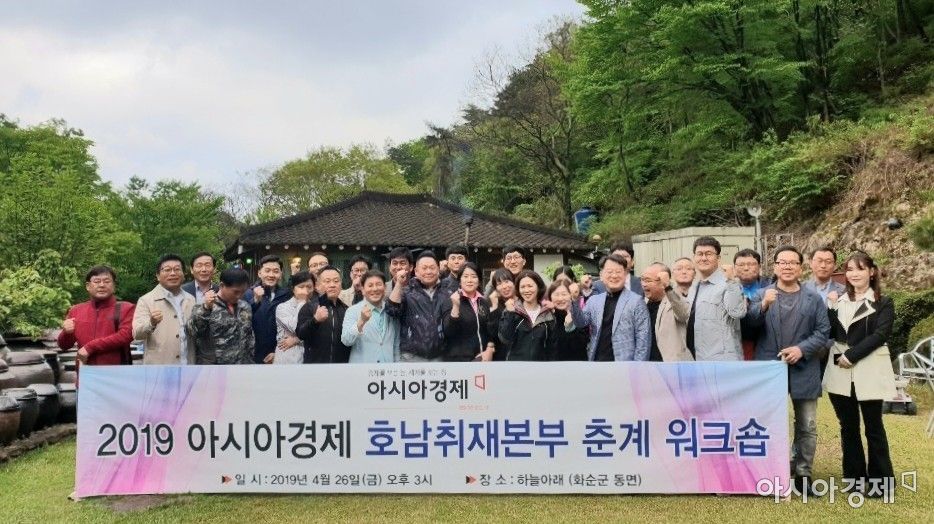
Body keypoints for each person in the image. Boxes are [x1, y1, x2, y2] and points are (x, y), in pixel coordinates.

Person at [746, 246, 830, 495]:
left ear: (800, 268)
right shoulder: (761, 294)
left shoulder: (813, 298)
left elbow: (823, 332)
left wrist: (801, 349)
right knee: (767, 422)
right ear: (774, 267)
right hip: (769, 369)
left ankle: (803, 473)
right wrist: (763, 306)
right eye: (782, 262)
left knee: (807, 424)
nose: (787, 267)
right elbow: (747, 327)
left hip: (804, 368)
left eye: (793, 262)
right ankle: (769, 470)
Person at [824, 252, 897, 497]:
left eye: (860, 268)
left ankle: (881, 482)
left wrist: (852, 355)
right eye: (850, 269)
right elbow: (831, 334)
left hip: (869, 368)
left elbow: (880, 335)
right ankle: (854, 478)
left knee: (874, 427)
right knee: (848, 427)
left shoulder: (883, 302)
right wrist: (831, 308)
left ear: (872, 272)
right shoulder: (839, 300)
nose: (854, 274)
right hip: (840, 371)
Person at [574, 254, 651, 361]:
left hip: (625, 365)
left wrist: (637, 367)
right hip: (597, 362)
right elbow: (581, 322)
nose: (614, 276)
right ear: (601, 275)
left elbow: (643, 339)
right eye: (609, 272)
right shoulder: (594, 301)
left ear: (625, 274)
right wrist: (574, 300)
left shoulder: (636, 301)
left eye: (618, 272)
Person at [57, 266, 135, 368]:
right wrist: (66, 333)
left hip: (116, 373)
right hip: (85, 372)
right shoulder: (76, 311)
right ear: (88, 286)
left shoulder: (127, 308)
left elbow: (125, 336)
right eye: (97, 281)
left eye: (107, 281)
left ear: (114, 285)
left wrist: (90, 348)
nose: (102, 285)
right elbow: (64, 346)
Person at [386, 250, 457, 362]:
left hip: (440, 356)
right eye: (424, 268)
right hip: (411, 356)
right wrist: (399, 283)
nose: (428, 271)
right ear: (416, 271)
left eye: (432, 268)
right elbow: (392, 310)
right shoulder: (407, 291)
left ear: (438, 269)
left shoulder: (448, 292)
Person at [685, 236, 746, 361]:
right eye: (699, 254)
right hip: (697, 359)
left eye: (708, 254)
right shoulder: (693, 287)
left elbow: (737, 312)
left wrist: (731, 281)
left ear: (718, 258)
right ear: (694, 257)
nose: (703, 258)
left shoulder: (729, 283)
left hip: (722, 361)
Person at [133, 254, 196, 364]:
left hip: (187, 365)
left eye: (177, 269)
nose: (173, 273)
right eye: (167, 270)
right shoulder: (146, 300)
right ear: (158, 276)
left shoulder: (190, 299)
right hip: (159, 367)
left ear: (183, 274)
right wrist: (151, 323)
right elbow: (137, 334)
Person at [188, 268, 255, 365]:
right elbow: (192, 332)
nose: (239, 296)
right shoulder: (205, 306)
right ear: (222, 286)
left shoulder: (245, 306)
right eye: (236, 292)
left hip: (241, 366)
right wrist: (206, 309)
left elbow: (249, 336)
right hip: (214, 368)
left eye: (243, 292)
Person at [804, 246, 847, 378]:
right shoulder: (799, 289)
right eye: (819, 261)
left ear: (834, 265)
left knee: (837, 384)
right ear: (810, 263)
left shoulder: (845, 291)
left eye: (828, 262)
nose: (823, 265)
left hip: (835, 348)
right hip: (808, 349)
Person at [341, 269, 400, 363]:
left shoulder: (391, 311)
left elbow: (396, 345)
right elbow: (346, 341)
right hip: (362, 369)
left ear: (385, 288)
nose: (375, 289)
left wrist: (396, 367)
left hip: (387, 368)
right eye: (370, 285)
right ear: (363, 290)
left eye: (379, 284)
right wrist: (361, 321)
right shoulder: (352, 311)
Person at [296, 265, 351, 363]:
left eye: (336, 281)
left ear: (341, 285)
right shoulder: (309, 307)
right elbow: (301, 334)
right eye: (327, 281)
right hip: (315, 366)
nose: (332, 285)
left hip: (340, 367)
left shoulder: (346, 309)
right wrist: (315, 320)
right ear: (317, 286)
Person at [244, 255, 293, 364]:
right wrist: (255, 301)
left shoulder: (287, 295)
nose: (271, 275)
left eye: (275, 271)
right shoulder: (248, 294)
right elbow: (241, 320)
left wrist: (278, 352)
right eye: (267, 271)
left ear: (281, 274)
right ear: (259, 273)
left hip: (281, 353)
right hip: (253, 355)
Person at [498, 270, 557, 361]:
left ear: (538, 287)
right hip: (516, 366)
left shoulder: (547, 314)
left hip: (540, 366)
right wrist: (510, 313)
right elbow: (505, 339)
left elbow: (552, 347)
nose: (526, 290)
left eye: (530, 286)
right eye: (522, 287)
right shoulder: (511, 310)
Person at [640, 263, 693, 362]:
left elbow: (683, 314)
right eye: (642, 280)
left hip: (671, 364)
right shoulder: (642, 302)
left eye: (648, 280)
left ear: (662, 283)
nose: (644, 284)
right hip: (647, 364)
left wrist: (668, 286)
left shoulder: (674, 301)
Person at [443, 263, 494, 362]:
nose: (469, 280)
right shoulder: (450, 301)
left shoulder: (484, 302)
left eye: (474, 276)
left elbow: (489, 331)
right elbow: (449, 332)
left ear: (479, 280)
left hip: (482, 359)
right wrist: (456, 307)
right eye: (465, 276)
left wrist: (489, 349)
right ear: (460, 280)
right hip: (460, 361)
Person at [735, 248, 771, 361]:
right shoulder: (727, 287)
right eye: (741, 265)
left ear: (759, 267)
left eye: (751, 264)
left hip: (766, 340)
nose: (746, 268)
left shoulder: (771, 285)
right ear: (734, 267)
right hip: (737, 341)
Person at [273, 271, 315, 364]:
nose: (305, 290)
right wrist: (302, 302)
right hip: (288, 358)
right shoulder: (282, 307)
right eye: (301, 287)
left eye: (309, 287)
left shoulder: (316, 306)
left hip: (311, 358)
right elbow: (295, 328)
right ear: (293, 289)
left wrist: (296, 339)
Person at [546, 280, 588, 361]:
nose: (560, 298)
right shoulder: (547, 317)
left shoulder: (578, 315)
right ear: (550, 297)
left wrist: (571, 327)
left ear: (571, 295)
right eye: (556, 294)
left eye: (564, 294)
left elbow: (581, 346)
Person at [486, 268, 517, 362]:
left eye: (507, 281)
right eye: (499, 284)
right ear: (495, 288)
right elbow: (493, 335)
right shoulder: (493, 305)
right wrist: (494, 307)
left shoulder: (523, 301)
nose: (504, 286)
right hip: (501, 358)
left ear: (514, 282)